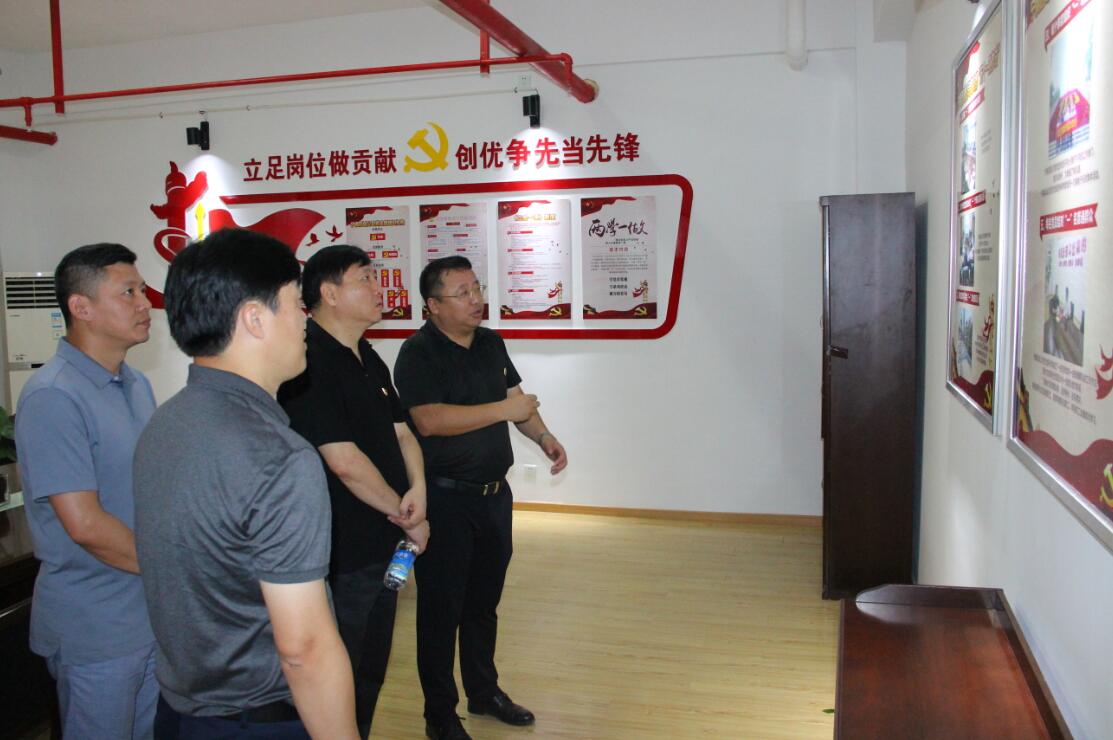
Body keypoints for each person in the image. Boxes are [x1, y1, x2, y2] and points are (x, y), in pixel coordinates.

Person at [132, 229, 359, 740]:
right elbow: (304, 650)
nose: (306, 320)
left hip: (180, 713)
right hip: (259, 719)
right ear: (255, 318)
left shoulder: (165, 423)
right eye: (296, 304)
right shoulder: (278, 456)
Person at [394, 256, 568, 740]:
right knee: (440, 612)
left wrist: (543, 436)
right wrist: (505, 410)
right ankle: (440, 716)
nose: (476, 300)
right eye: (463, 293)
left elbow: (516, 400)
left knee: (483, 604)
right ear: (433, 305)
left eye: (477, 288)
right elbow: (429, 420)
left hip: (494, 497)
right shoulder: (418, 353)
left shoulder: (491, 342)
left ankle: (484, 692)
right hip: (445, 501)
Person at [278, 245, 430, 738]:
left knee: (370, 665)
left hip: (387, 539)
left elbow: (403, 434)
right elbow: (343, 461)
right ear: (328, 293)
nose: (378, 287)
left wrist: (418, 491)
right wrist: (407, 515)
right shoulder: (308, 361)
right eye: (365, 278)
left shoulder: (368, 357)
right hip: (342, 552)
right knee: (338, 670)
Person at [14, 243, 159, 739]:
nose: (145, 303)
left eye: (143, 290)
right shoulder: (53, 396)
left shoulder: (136, 384)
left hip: (147, 615)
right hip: (97, 629)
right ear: (81, 307)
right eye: (128, 292)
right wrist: (175, 565)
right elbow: (86, 525)